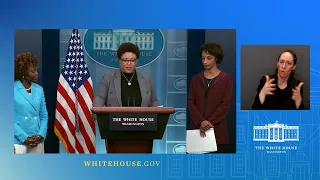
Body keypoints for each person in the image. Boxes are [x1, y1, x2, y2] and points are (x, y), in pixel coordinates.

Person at [93, 42, 160, 153]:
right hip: (115, 129)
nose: (129, 63)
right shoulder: (108, 77)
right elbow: (99, 97)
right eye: (125, 60)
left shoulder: (147, 78)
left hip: (143, 130)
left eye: (132, 60)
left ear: (137, 61)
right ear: (119, 61)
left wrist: (159, 120)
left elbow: (154, 101)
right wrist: (97, 117)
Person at [188, 43, 233, 153]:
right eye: (203, 58)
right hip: (197, 131)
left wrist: (208, 122)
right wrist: (201, 121)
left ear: (216, 58)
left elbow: (225, 104)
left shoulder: (226, 79)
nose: (205, 62)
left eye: (209, 58)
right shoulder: (195, 79)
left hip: (217, 131)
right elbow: (191, 102)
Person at [14, 53, 48, 154]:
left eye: (36, 70)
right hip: (18, 142)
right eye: (33, 71)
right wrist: (24, 138)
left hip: (37, 140)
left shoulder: (39, 90)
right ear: (23, 72)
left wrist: (41, 135)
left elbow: (44, 116)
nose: (37, 73)